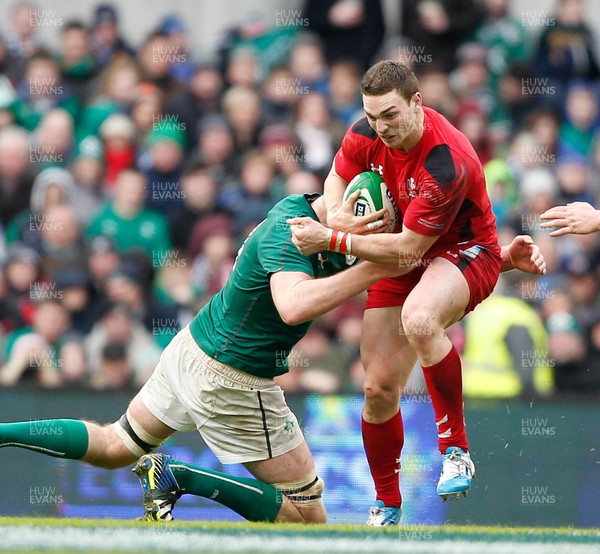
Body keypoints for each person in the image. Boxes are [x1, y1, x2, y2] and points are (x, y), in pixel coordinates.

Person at [0, 189, 542, 523]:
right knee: (307, 516)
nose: (374, 233)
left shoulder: (315, 219)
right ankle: (179, 478)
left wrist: (505, 263)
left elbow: (427, 275)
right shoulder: (292, 231)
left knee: (116, 445)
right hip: (231, 377)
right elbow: (292, 304)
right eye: (375, 221)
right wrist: (375, 266)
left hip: (192, 347)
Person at [287, 60, 546, 525]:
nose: (381, 127)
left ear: (417, 103)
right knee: (377, 389)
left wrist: (333, 238)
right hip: (399, 254)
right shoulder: (365, 131)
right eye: (372, 115)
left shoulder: (446, 160)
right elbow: (335, 177)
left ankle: (456, 451)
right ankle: (387, 504)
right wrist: (335, 211)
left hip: (462, 252)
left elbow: (410, 248)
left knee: (420, 317)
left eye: (390, 115)